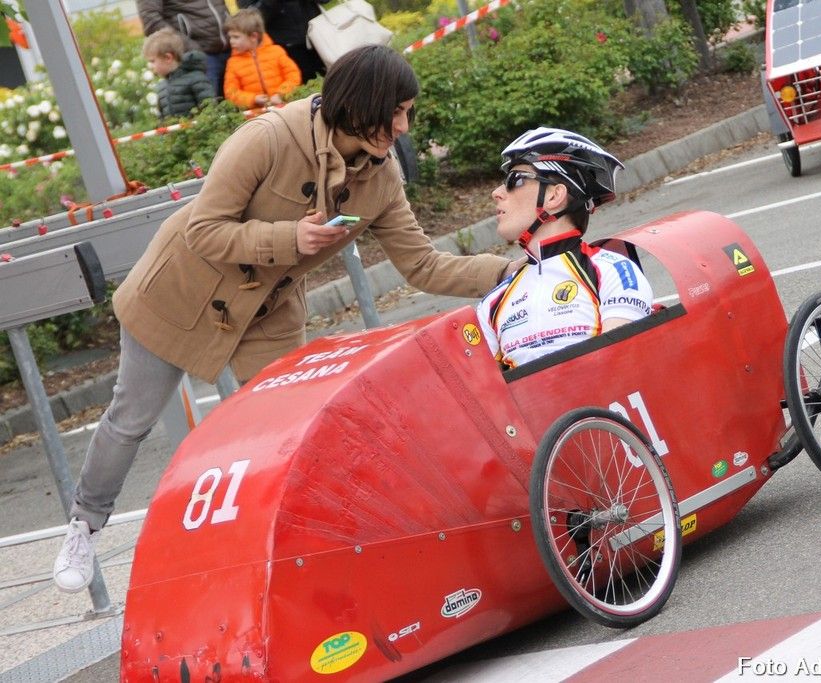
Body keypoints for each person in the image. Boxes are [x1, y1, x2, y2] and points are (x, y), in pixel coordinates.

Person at [52, 45, 518, 593]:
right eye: (395, 112)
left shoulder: (382, 177)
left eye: (407, 112)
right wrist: (288, 238)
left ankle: (300, 549)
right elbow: (204, 229)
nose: (403, 127)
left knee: (292, 430)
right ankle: (84, 524)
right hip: (181, 293)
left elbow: (422, 265)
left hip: (267, 311)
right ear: (359, 103)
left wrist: (507, 271)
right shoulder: (269, 137)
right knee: (131, 418)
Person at [477, 128, 654, 369]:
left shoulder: (613, 271)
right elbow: (483, 387)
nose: (496, 193)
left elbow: (619, 365)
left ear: (554, 196)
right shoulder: (492, 303)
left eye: (514, 180)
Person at [136, 0, 231, 98]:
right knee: (208, 104)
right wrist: (191, 48)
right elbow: (151, 21)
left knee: (235, 104)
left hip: (232, 49)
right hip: (198, 57)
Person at [222, 8, 301, 109]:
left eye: (236, 37)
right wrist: (253, 99)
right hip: (256, 113)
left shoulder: (276, 52)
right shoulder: (232, 63)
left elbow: (293, 75)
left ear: (253, 36)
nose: (231, 41)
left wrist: (281, 93)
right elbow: (230, 92)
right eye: (230, 37)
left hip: (284, 106)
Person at [238, 0, 327, 83]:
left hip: (320, 36)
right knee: (307, 86)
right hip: (287, 47)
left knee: (334, 78)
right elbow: (252, 19)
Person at [143, 28, 216, 119]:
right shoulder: (162, 87)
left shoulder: (196, 79)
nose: (150, 66)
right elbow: (162, 119)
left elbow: (210, 107)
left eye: (152, 61)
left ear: (168, 58)